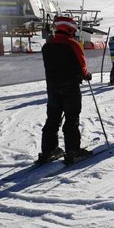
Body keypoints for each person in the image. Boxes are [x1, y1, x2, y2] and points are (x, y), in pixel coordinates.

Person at [39, 16, 93, 165]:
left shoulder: (47, 46)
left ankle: (48, 150)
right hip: (70, 87)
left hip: (53, 88)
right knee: (71, 117)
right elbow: (82, 65)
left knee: (52, 118)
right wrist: (86, 75)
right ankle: (72, 151)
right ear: (70, 29)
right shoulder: (72, 44)